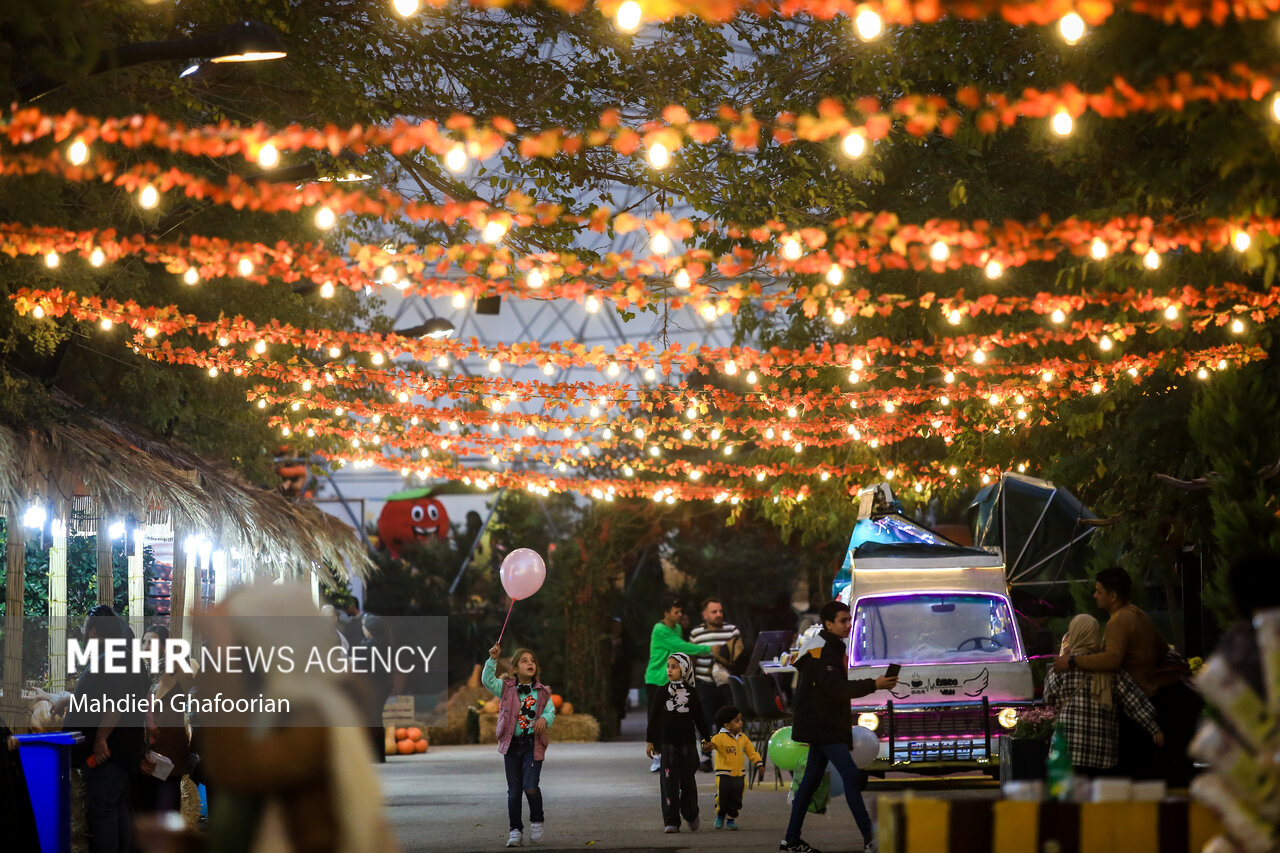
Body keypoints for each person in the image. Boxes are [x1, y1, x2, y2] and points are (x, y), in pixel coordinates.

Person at [1051, 567, 1195, 783]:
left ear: (1113, 596)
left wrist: (1072, 660)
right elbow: (1162, 649)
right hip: (1155, 698)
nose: (1095, 596)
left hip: (1135, 704)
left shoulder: (1116, 622)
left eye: (1099, 591)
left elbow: (1112, 659)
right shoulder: (1139, 614)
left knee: (1131, 773)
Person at [781, 600, 897, 853]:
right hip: (824, 726)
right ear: (828, 624)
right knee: (851, 776)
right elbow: (837, 689)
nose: (848, 625)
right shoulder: (823, 651)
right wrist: (874, 684)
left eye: (849, 619)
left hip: (822, 724)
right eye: (843, 620)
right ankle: (871, 839)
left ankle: (791, 840)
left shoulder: (825, 646)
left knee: (809, 783)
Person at [58, 605, 149, 853]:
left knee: (103, 811)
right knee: (116, 809)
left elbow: (117, 701)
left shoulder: (114, 657)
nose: (86, 634)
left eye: (88, 629)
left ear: (97, 631)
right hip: (121, 750)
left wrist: (100, 738)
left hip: (109, 751)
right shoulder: (122, 656)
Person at [1044, 615, 1164, 776]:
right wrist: (1154, 728)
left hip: (1067, 750)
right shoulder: (1109, 667)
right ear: (1095, 634)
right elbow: (1134, 701)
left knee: (1069, 800)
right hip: (1101, 752)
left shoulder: (1061, 667)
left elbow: (1048, 698)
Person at [484, 643, 556, 849]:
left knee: (530, 787)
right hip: (512, 746)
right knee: (514, 790)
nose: (530, 663)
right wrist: (493, 660)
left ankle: (537, 820)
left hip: (533, 744)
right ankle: (515, 830)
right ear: (515, 668)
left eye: (532, 661)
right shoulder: (506, 689)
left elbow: (550, 711)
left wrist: (544, 718)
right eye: (524, 661)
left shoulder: (542, 692)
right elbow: (487, 681)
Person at [644, 596, 716, 771]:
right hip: (656, 678)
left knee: (673, 716)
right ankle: (657, 756)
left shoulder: (676, 627)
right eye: (675, 612)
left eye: (680, 611)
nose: (679, 614)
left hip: (671, 679)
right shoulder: (660, 629)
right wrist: (709, 649)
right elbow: (681, 646)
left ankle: (671, 753)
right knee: (657, 716)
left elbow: (678, 653)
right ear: (666, 613)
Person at [646, 652, 711, 833]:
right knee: (668, 783)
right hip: (668, 746)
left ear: (685, 669)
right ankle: (671, 820)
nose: (670, 670)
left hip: (688, 746)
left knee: (688, 781)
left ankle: (690, 813)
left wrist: (707, 739)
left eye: (674, 666)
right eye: (668, 666)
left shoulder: (692, 693)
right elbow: (654, 718)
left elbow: (699, 718)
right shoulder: (661, 692)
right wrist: (650, 741)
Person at [135, 625, 195, 815]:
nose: (145, 647)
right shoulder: (142, 674)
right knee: (148, 805)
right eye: (143, 642)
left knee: (168, 806)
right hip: (148, 750)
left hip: (169, 749)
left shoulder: (175, 671)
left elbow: (192, 669)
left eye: (151, 643)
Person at [689, 597, 742, 769]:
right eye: (714, 611)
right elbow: (692, 658)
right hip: (704, 682)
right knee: (705, 720)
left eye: (720, 611)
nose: (718, 614)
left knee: (726, 721)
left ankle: (725, 756)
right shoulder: (696, 634)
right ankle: (705, 756)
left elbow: (739, 655)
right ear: (704, 614)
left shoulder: (732, 630)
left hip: (726, 683)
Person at [707, 705, 764, 830]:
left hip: (740, 774)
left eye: (740, 720)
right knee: (723, 797)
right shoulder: (719, 738)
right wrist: (706, 745)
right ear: (727, 725)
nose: (741, 723)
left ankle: (731, 818)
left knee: (737, 798)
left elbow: (751, 751)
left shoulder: (743, 738)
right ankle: (720, 815)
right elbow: (711, 743)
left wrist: (758, 762)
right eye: (737, 721)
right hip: (724, 774)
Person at [360, 614, 395, 764]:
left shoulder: (367, 645)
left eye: (364, 626)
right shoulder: (387, 643)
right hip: (385, 683)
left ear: (370, 629)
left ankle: (375, 754)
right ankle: (380, 754)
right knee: (377, 717)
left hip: (373, 684)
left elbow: (359, 665)